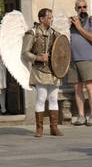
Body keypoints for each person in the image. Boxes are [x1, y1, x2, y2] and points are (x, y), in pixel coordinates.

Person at [22, 8, 63, 137]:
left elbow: (61, 50)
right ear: (41, 19)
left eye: (51, 17)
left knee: (53, 98)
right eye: (49, 17)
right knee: (41, 97)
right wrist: (38, 58)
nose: (51, 19)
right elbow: (25, 53)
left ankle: (54, 127)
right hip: (39, 70)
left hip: (53, 70)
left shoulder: (55, 34)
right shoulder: (32, 33)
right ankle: (39, 128)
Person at [67, 0, 92, 126]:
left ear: (87, 7)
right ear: (75, 9)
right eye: (79, 7)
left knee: (90, 87)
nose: (82, 9)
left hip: (87, 58)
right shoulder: (72, 22)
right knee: (77, 88)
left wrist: (79, 27)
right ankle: (81, 115)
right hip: (73, 58)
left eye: (84, 6)